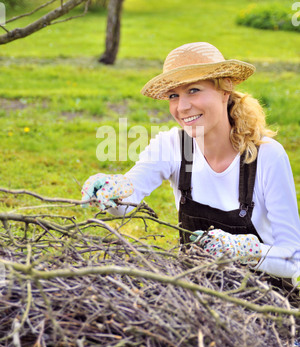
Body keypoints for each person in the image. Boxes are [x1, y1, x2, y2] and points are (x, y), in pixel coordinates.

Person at [81, 42, 300, 284]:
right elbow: (128, 199)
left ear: (224, 91)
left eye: (194, 90)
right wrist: (112, 190)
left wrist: (247, 251)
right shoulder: (173, 146)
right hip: (196, 299)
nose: (182, 107)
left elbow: (294, 259)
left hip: (263, 301)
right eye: (173, 95)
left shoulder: (267, 156)